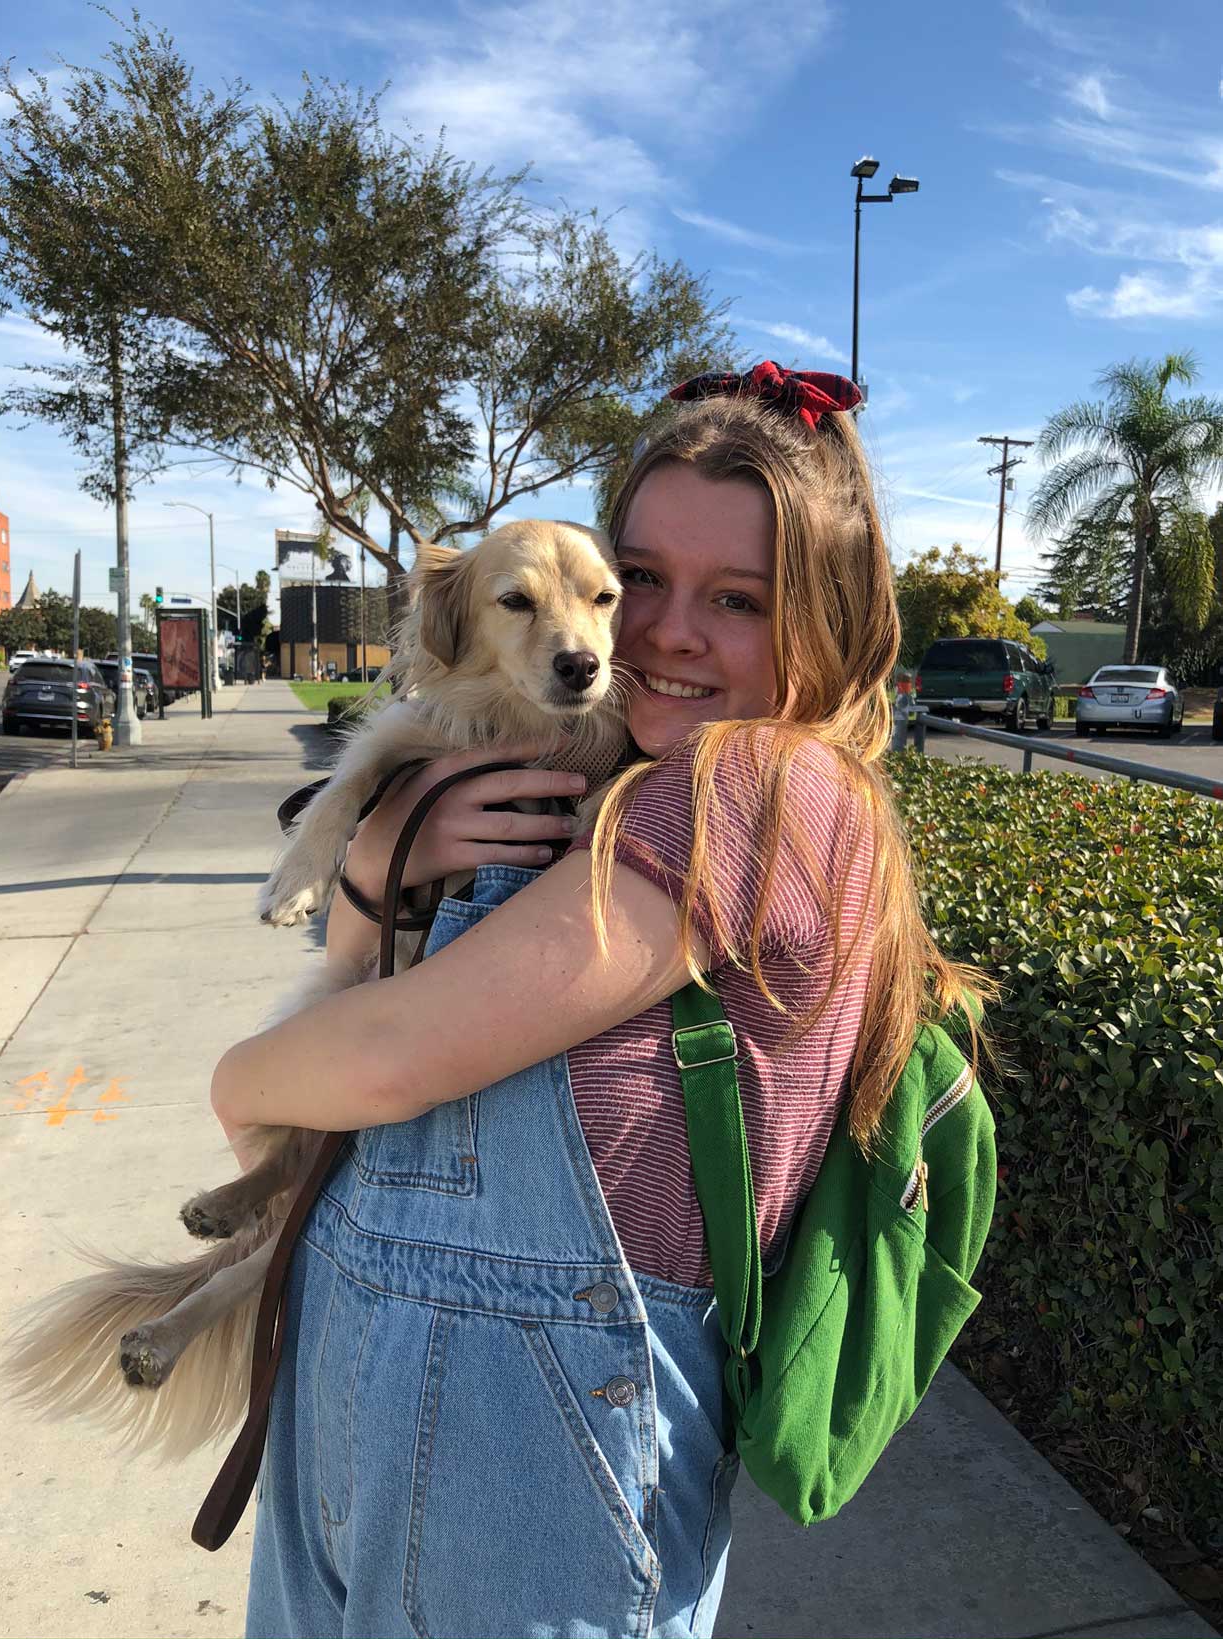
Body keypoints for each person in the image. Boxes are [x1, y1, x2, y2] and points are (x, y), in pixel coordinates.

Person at [211, 364, 987, 1639]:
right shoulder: (602, 769)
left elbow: (389, 1054)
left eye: (736, 599)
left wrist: (238, 1082)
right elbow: (366, 949)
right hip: (360, 1371)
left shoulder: (755, 789)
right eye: (641, 579)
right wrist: (385, 846)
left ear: (826, 621)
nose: (660, 632)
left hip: (536, 1432)